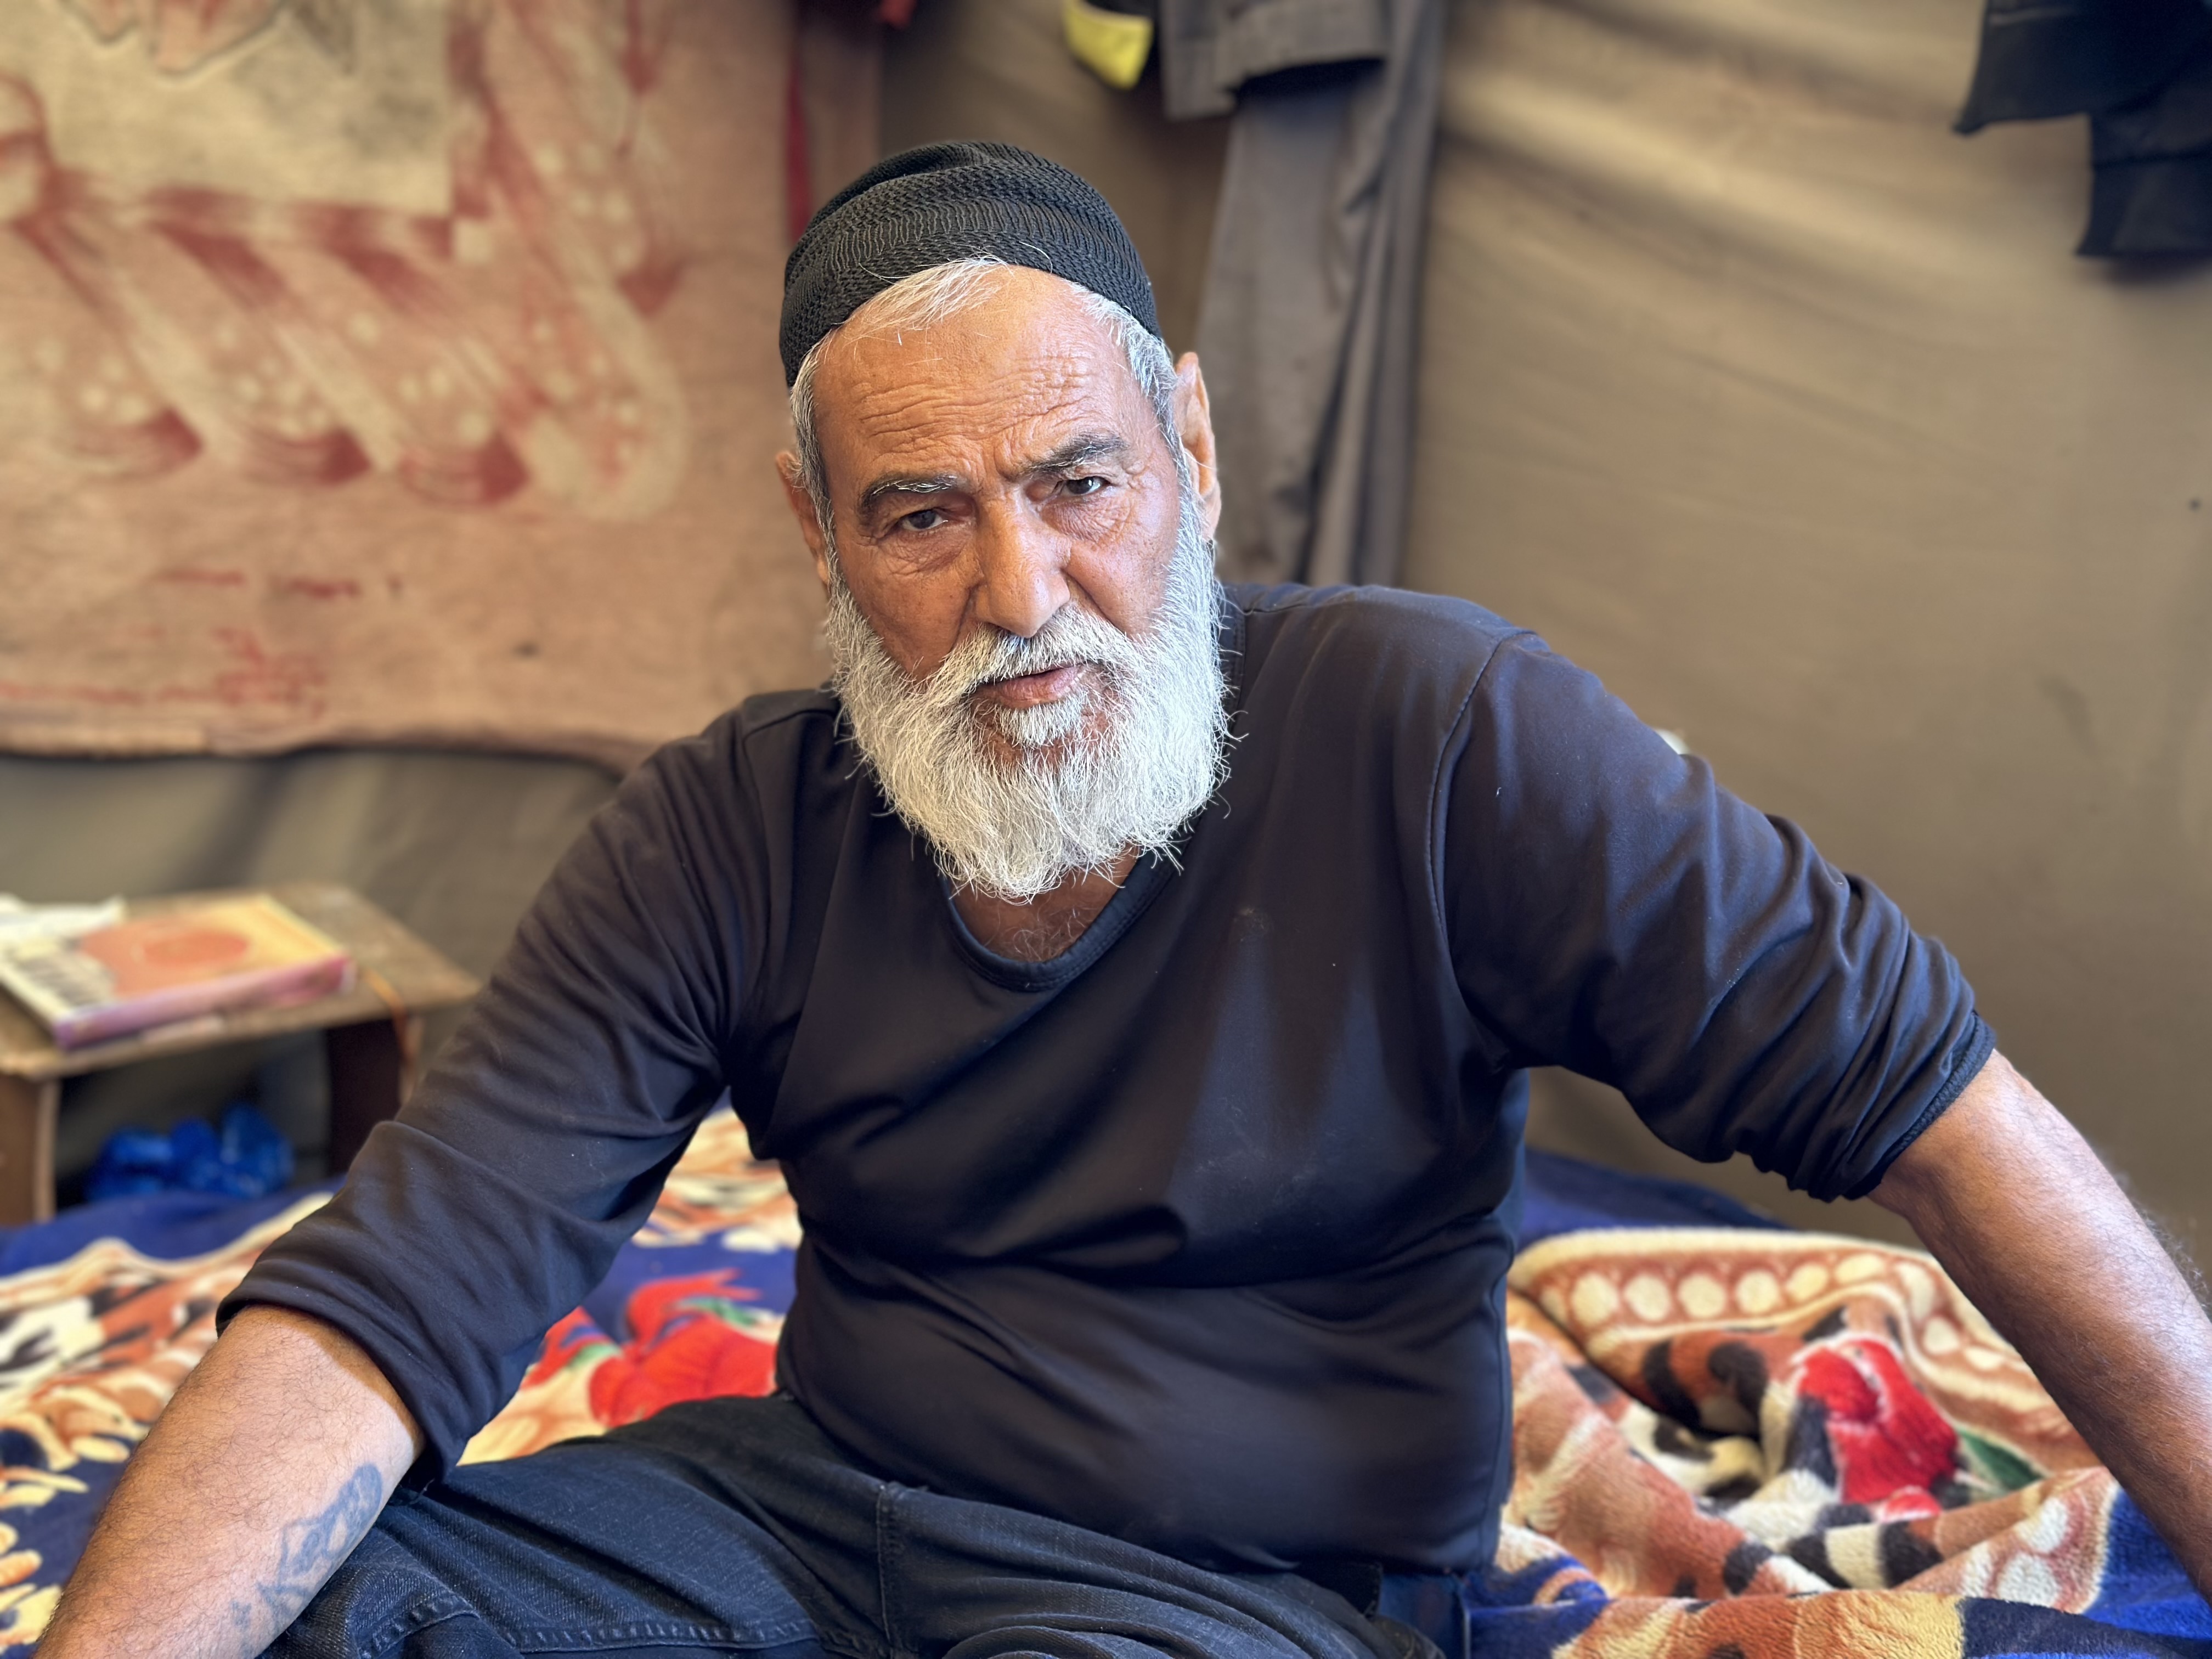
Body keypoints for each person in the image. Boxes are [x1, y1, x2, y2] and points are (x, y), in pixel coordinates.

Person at [36, 143, 2212, 1659]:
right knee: (278, 1600)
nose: (1022, 598)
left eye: (1079, 484)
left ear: (1185, 437)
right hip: (819, 1521)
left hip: (1230, 1597)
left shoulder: (1447, 735)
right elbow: (398, 1293)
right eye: (917, 518)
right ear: (816, 529)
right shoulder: (724, 831)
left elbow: (1931, 1101)